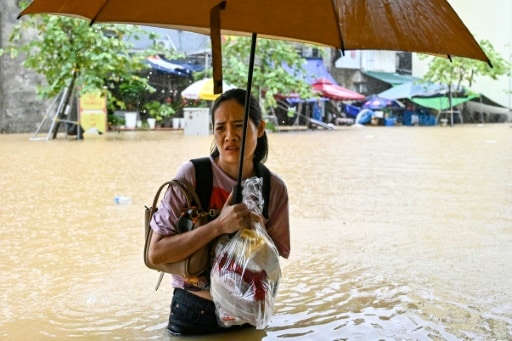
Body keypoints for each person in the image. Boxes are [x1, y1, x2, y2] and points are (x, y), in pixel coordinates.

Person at [148, 88, 290, 336]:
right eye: (220, 128)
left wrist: (256, 231)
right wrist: (218, 226)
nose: (230, 136)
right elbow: (155, 254)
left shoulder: (273, 187)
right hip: (195, 311)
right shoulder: (193, 175)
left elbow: (275, 262)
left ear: (260, 128)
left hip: (247, 312)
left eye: (239, 126)